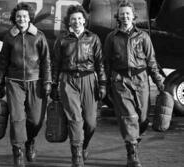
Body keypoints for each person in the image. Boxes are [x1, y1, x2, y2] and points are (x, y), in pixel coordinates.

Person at [103, 1, 165, 167]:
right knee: (128, 116)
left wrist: (158, 81)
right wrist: (105, 84)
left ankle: (135, 138)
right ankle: (132, 152)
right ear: (118, 16)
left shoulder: (143, 36)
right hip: (120, 81)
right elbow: (106, 63)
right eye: (122, 14)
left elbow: (151, 61)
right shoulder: (111, 38)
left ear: (133, 16)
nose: (125, 16)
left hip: (141, 80)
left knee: (143, 119)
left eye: (128, 14)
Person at [0, 2, 52, 167]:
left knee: (36, 120)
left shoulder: (39, 36)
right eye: (18, 16)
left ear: (30, 18)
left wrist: (47, 81)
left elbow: (46, 61)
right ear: (14, 18)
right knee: (17, 119)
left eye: (25, 16)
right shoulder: (9, 37)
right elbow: (3, 62)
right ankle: (17, 151)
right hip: (14, 82)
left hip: (36, 81)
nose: (21, 19)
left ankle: (30, 140)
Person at [51, 5, 106, 167]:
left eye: (79, 18)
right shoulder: (61, 39)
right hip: (68, 80)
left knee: (90, 122)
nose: (76, 21)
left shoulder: (93, 38)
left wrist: (102, 84)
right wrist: (54, 85)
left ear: (85, 20)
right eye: (73, 19)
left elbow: (100, 63)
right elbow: (55, 64)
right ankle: (76, 154)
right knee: (75, 119)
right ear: (69, 21)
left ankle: (84, 145)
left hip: (88, 79)